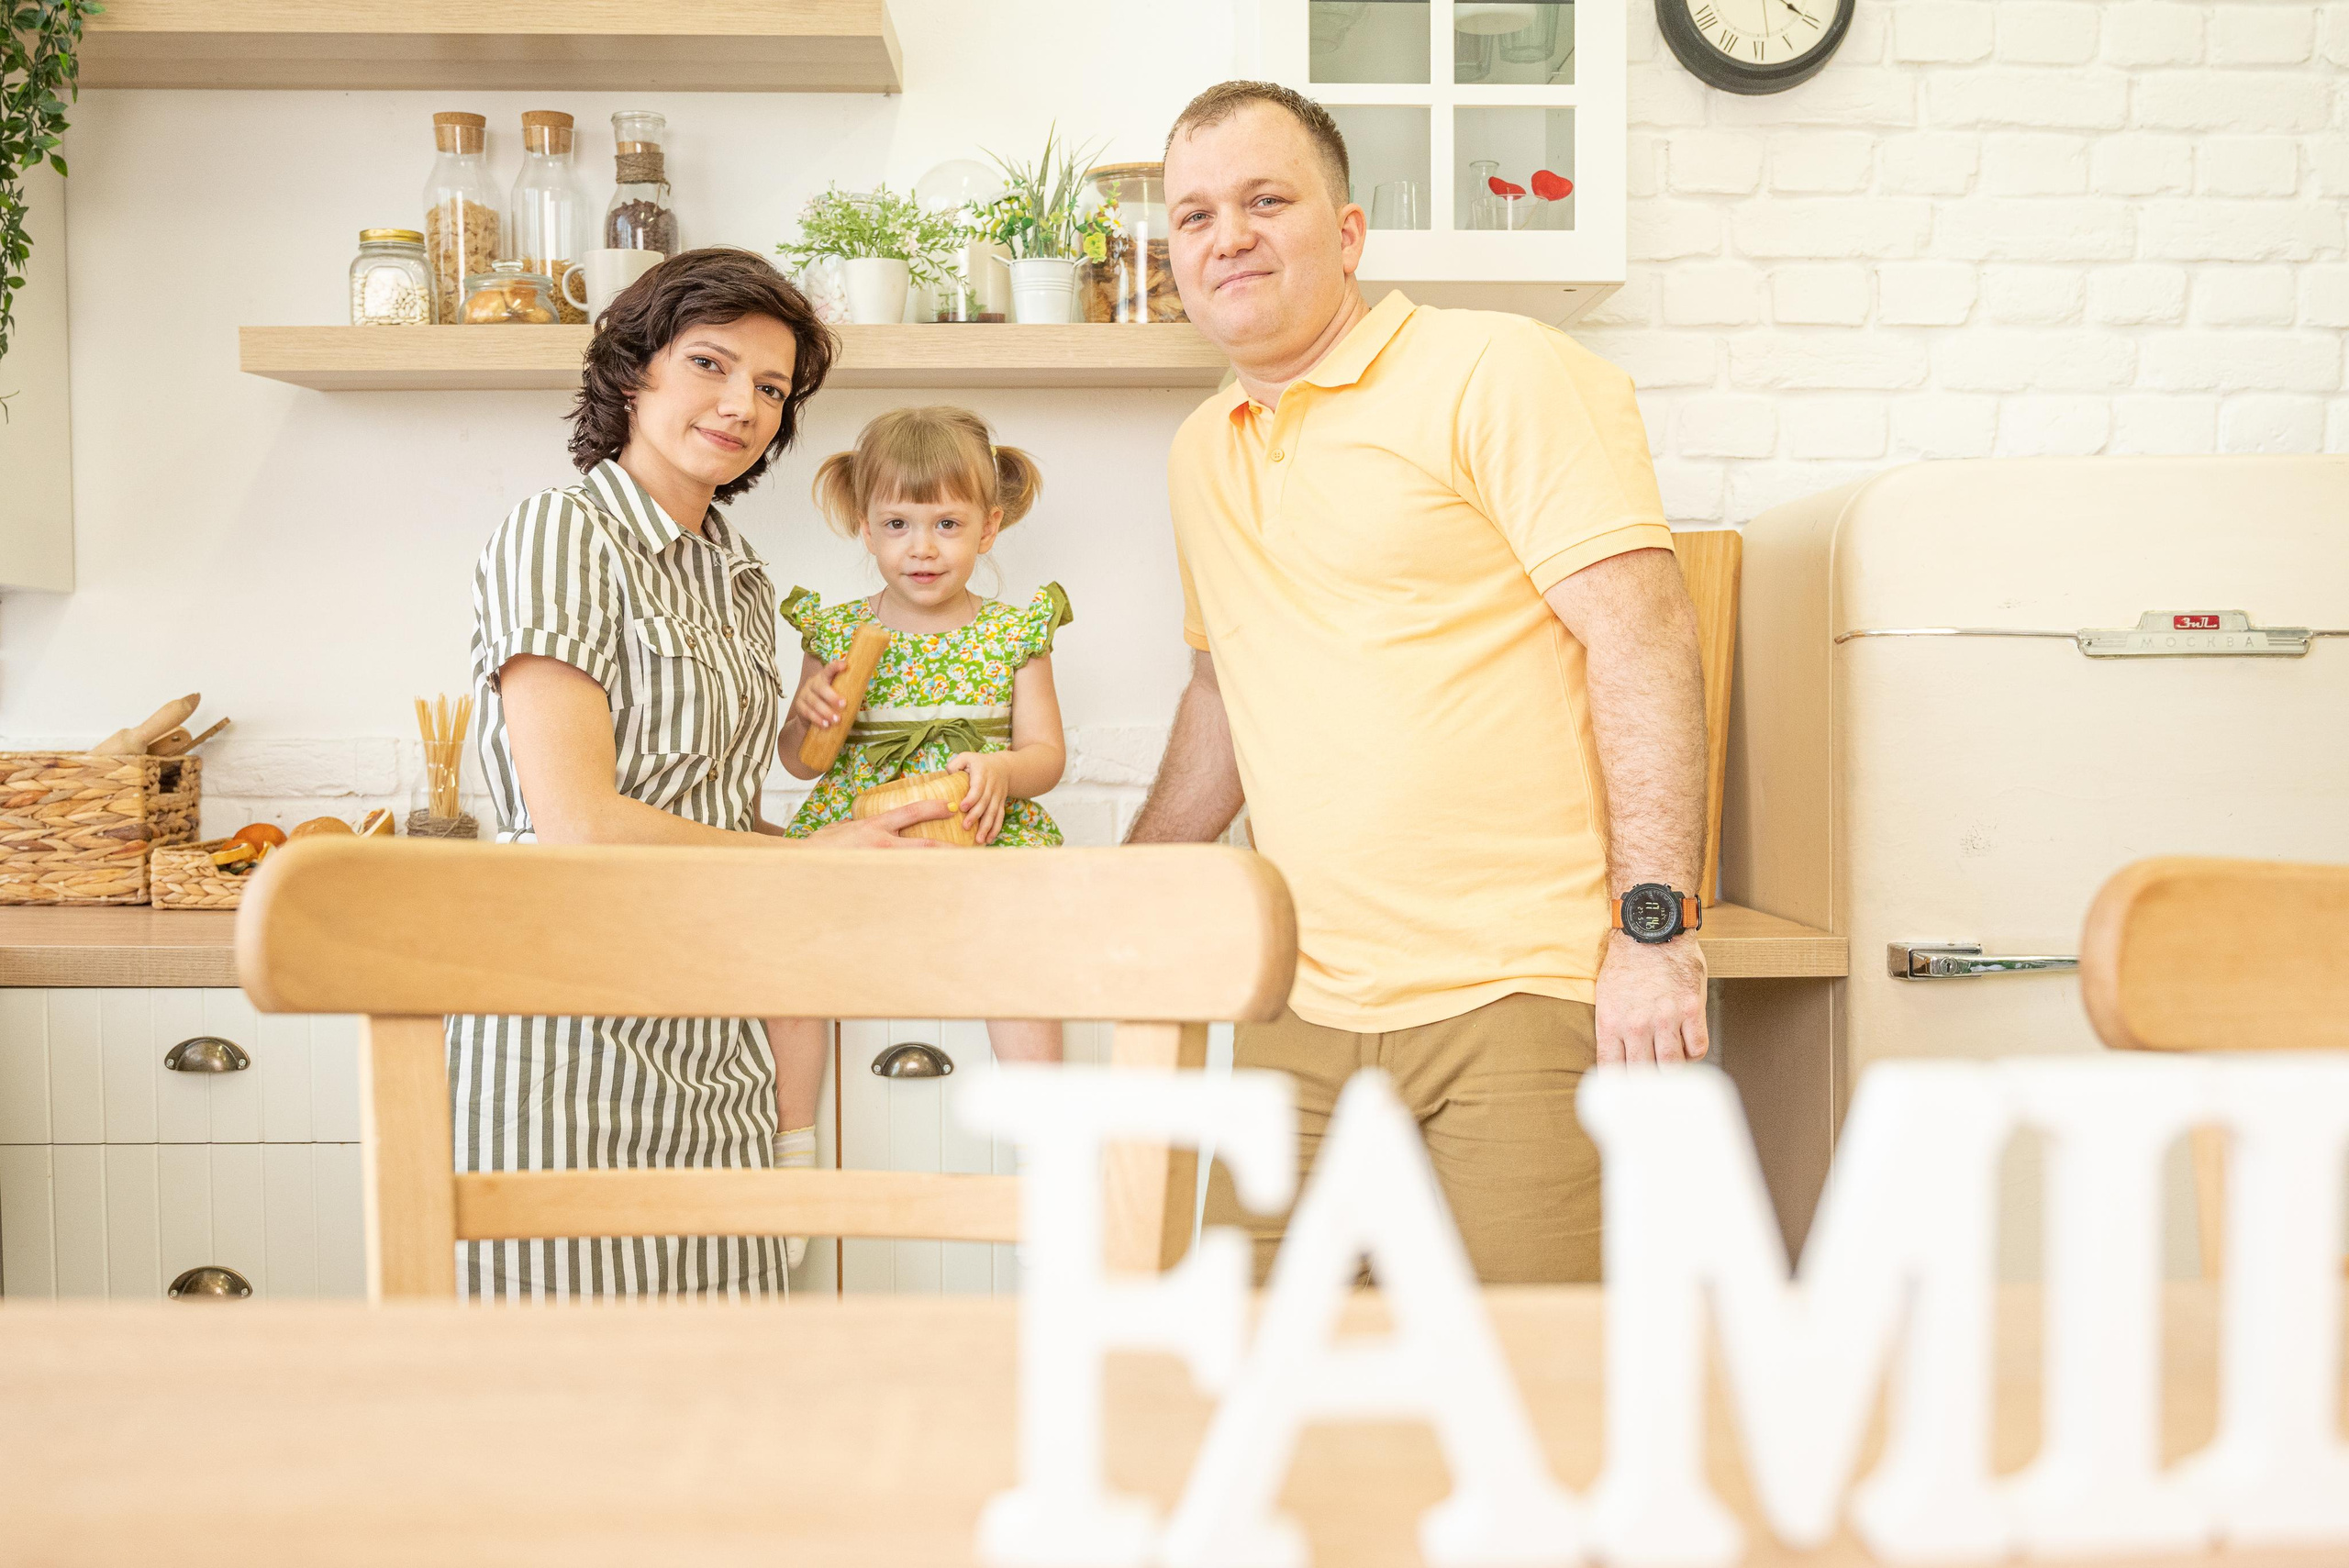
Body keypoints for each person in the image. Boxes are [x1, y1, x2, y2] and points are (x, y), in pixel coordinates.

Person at [1131, 82, 1710, 1284]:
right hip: (1295, 1008)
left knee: (1539, 1396)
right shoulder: (1201, 448)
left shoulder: (1499, 369)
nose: (1226, 235)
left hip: (1523, 996)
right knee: (1269, 1393)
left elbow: (1645, 638)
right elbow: (1220, 697)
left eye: (1264, 199)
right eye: (1192, 216)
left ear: (1346, 234)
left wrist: (1653, 933)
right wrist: (1119, 891)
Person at [457, 248, 946, 1301]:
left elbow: (704, 810)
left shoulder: (736, 574)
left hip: (714, 1037)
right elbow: (578, 822)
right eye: (712, 365)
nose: (742, 405)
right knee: (563, 1407)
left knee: (717, 1399)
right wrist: (810, 861)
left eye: (771, 389)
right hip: (568, 1046)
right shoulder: (563, 533)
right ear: (635, 370)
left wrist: (859, 842)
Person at [766, 406, 1074, 1266]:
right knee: (787, 949)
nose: (923, 547)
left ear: (991, 524)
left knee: (1019, 955)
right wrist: (806, 715)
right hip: (863, 836)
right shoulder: (834, 632)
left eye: (947, 524)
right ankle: (794, 1147)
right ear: (864, 527)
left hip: (976, 833)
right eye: (898, 525)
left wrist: (1002, 773)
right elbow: (799, 765)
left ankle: (1045, 1152)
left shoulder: (1015, 631)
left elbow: (1046, 753)